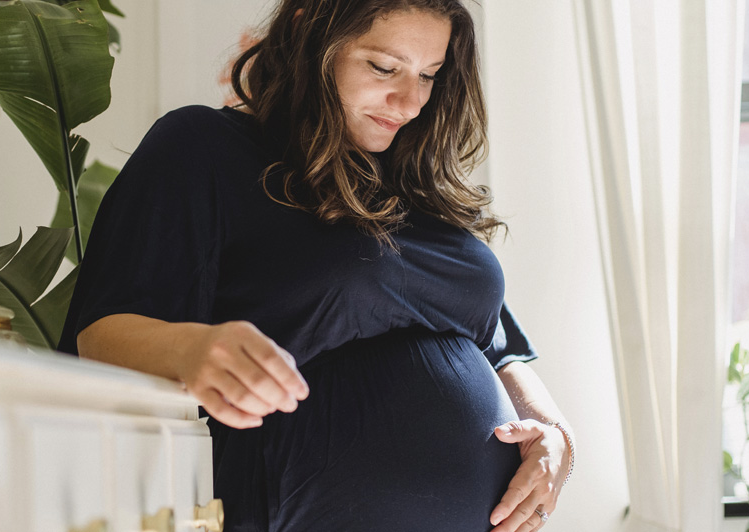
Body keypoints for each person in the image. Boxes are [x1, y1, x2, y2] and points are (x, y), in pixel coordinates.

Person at [58, 0, 574, 530]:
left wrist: (557, 440)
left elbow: (502, 350)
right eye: (383, 67)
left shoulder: (420, 187)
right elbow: (99, 335)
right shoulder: (204, 149)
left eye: (429, 75)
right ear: (312, 37)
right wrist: (194, 350)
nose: (410, 101)